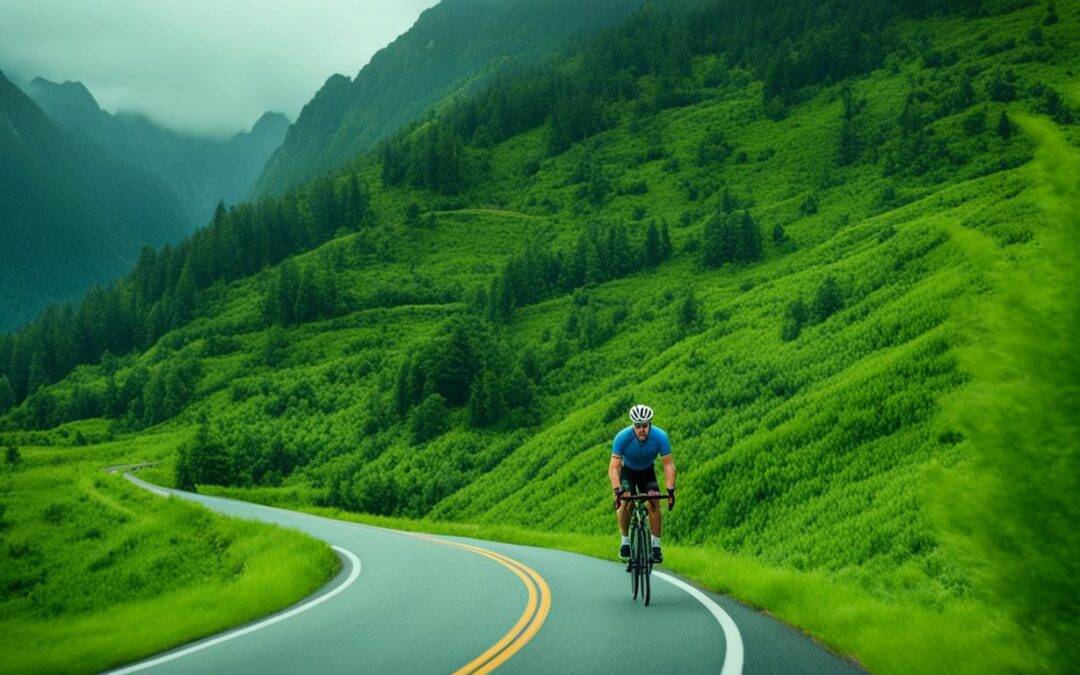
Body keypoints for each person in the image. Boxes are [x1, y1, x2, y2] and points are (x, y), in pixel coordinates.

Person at [610, 404, 676, 563]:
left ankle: (656, 546)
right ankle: (625, 541)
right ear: (633, 425)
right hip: (629, 472)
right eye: (638, 426)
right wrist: (617, 490)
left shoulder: (660, 437)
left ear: (650, 424)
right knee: (626, 502)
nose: (641, 430)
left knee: (654, 501)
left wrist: (670, 489)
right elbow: (614, 467)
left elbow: (668, 465)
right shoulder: (622, 437)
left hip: (647, 472)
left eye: (645, 426)